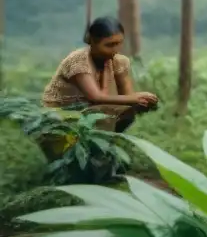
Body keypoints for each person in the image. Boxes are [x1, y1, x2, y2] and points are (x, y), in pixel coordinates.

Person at [40, 17, 159, 159]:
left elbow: (127, 98)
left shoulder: (120, 62)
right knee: (105, 112)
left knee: (126, 112)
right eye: (109, 45)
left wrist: (141, 102)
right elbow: (95, 97)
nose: (115, 49)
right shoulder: (77, 61)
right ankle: (96, 154)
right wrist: (135, 98)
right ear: (93, 42)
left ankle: (104, 149)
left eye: (119, 43)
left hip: (90, 112)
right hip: (61, 115)